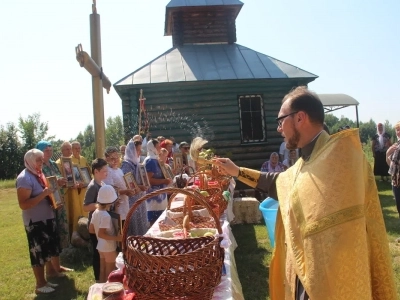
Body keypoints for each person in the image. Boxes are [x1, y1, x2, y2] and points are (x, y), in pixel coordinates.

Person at [215, 86, 396, 299]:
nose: (279, 128)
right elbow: (281, 182)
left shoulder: (341, 160)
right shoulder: (309, 160)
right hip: (305, 274)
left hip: (332, 282)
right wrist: (237, 171)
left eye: (281, 121)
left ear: (300, 118)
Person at [16, 149, 62, 294]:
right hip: (34, 222)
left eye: (42, 160)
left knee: (47, 249)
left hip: (47, 217)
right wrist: (44, 194)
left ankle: (48, 277)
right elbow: (23, 204)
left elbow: (48, 192)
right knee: (38, 253)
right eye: (38, 160)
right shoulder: (24, 178)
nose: (41, 163)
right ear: (29, 160)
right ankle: (40, 285)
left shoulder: (39, 174)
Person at [89, 185, 122, 283]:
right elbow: (101, 234)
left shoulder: (96, 211)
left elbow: (91, 229)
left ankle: (101, 290)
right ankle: (109, 292)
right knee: (110, 272)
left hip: (100, 246)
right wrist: (117, 238)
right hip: (108, 247)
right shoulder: (106, 216)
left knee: (102, 269)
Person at [83, 158, 108, 282]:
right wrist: (100, 205)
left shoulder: (102, 184)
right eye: (104, 171)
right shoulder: (93, 186)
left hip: (101, 223)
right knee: (97, 253)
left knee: (103, 252)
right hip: (95, 225)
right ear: (96, 171)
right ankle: (98, 278)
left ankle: (104, 276)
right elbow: (86, 206)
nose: (106, 173)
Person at [103, 146, 138, 229]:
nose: (115, 160)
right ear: (107, 159)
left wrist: (131, 190)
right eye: (112, 158)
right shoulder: (107, 171)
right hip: (116, 205)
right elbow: (111, 190)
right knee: (119, 229)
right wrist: (126, 191)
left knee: (125, 227)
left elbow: (124, 184)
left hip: (125, 202)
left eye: (117, 157)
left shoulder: (119, 170)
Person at [121, 136, 149, 236]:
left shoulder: (137, 163)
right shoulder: (126, 165)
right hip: (132, 200)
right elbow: (129, 184)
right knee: (135, 226)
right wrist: (140, 187)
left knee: (142, 224)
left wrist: (145, 184)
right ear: (131, 150)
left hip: (139, 198)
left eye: (140, 150)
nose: (139, 152)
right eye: (137, 150)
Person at [143, 139, 172, 225]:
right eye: (158, 146)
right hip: (154, 198)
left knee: (161, 220)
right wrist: (164, 181)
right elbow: (148, 180)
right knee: (154, 222)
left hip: (160, 196)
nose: (159, 148)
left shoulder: (155, 159)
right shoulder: (150, 161)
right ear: (152, 147)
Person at [386, 122, 400, 229]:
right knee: (399, 208)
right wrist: (387, 154)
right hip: (395, 181)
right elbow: (391, 165)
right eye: (397, 130)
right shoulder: (396, 146)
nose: (398, 132)